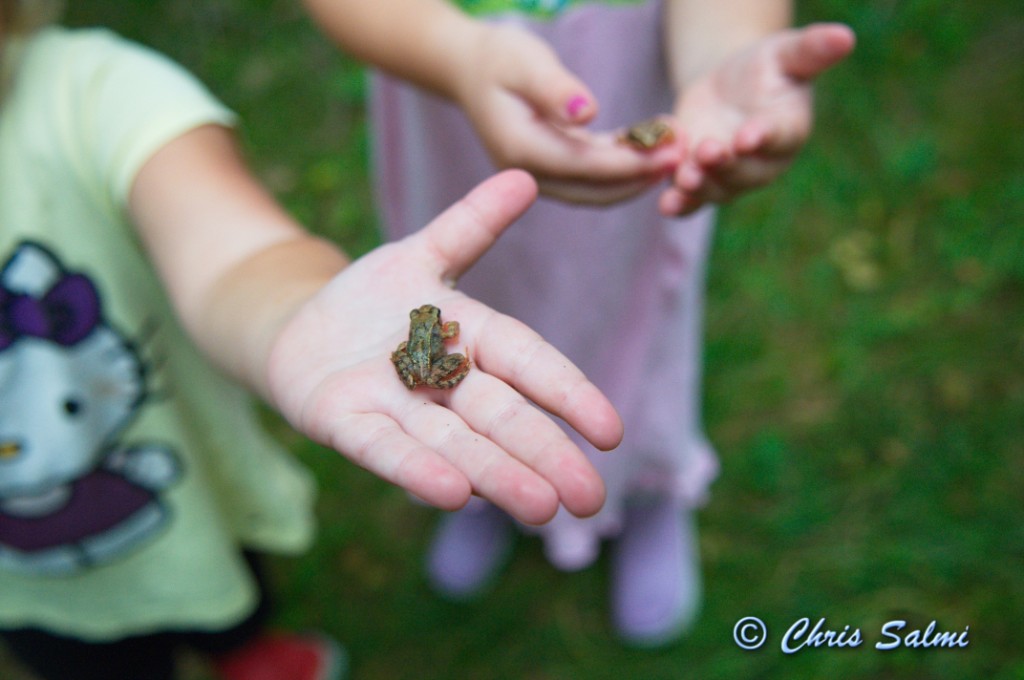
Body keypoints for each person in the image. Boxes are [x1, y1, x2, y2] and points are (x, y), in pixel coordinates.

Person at [0, 0, 623, 678]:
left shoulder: (91, 94)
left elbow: (239, 259)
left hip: (184, 494)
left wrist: (300, 309)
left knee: (235, 592)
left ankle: (243, 646)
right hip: (25, 590)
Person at [301, 0, 855, 644]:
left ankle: (649, 487)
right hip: (445, 94)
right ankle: (489, 485)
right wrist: (460, 56)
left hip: (624, 94)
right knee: (473, 296)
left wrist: (725, 57)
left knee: (633, 313)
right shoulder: (431, 342)